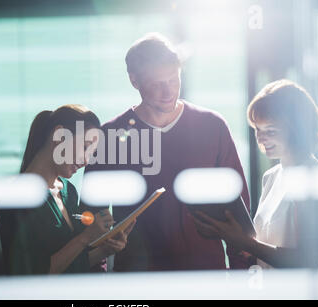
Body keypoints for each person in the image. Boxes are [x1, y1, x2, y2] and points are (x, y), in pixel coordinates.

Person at [80, 33, 251, 271]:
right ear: (134, 81)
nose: (168, 91)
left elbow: (238, 211)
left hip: (206, 280)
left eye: (173, 80)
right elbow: (89, 220)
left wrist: (242, 278)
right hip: (137, 284)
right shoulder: (109, 136)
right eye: (156, 84)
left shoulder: (212, 126)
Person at [191, 79, 318, 268]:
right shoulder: (272, 177)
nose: (260, 138)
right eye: (257, 129)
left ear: (296, 130)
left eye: (271, 131)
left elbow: (306, 261)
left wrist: (246, 243)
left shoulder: (314, 180)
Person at [0, 104, 135, 275]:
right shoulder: (16, 197)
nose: (86, 161)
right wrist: (85, 238)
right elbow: (35, 274)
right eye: (85, 147)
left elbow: (72, 264)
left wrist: (106, 250)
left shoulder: (68, 191)